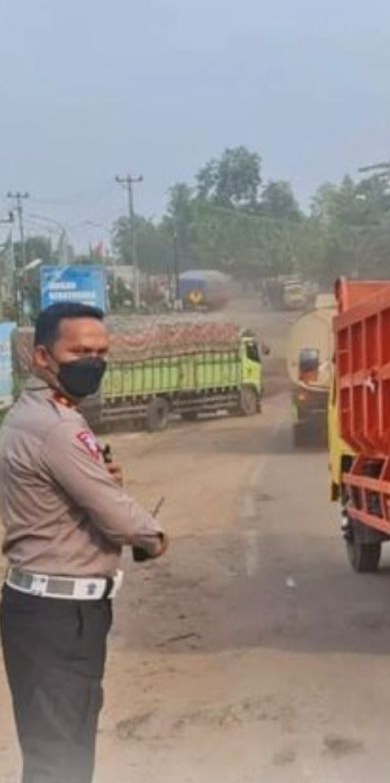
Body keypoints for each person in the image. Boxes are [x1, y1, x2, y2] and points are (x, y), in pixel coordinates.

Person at [0, 302, 168, 783]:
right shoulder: (58, 425)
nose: (92, 362)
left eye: (100, 352)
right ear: (41, 357)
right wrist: (154, 538)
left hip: (42, 612)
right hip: (59, 618)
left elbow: (70, 485)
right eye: (78, 351)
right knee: (61, 758)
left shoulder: (31, 414)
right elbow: (117, 514)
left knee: (57, 746)